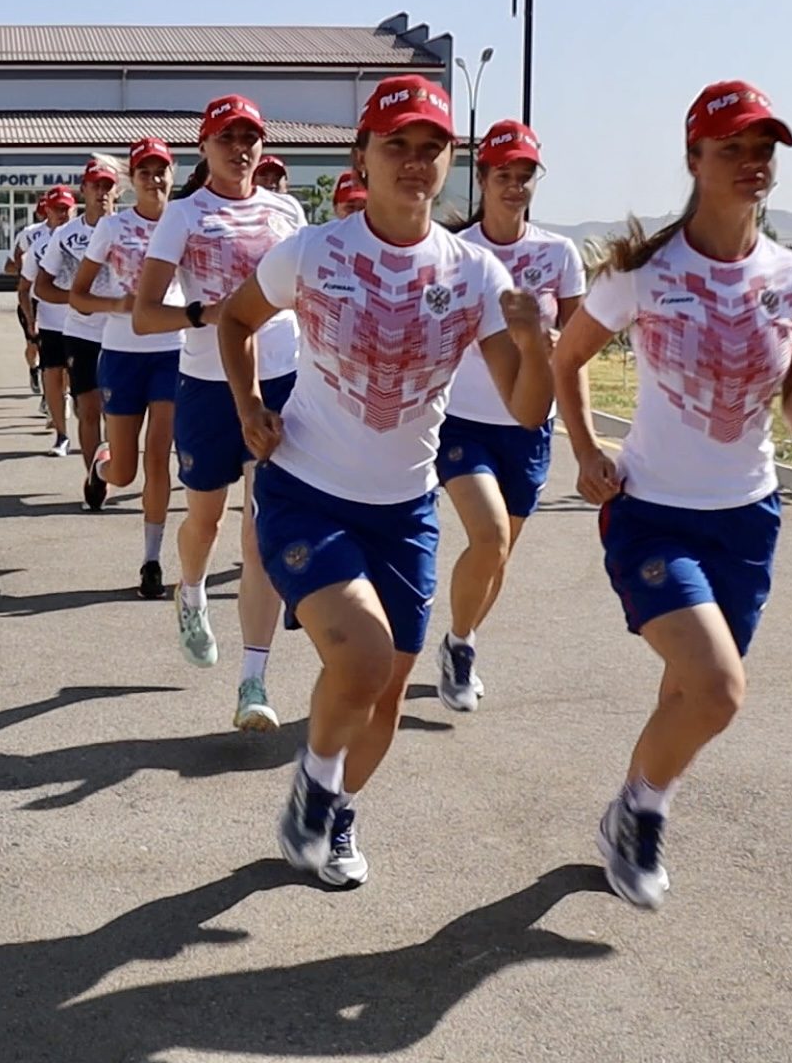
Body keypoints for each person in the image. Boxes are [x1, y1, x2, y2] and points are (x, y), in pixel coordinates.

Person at [217, 74, 549, 887]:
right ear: (361, 155)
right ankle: (316, 787)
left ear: (450, 164)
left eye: (431, 148)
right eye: (395, 145)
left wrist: (539, 344)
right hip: (306, 491)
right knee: (362, 659)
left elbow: (523, 402)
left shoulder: (472, 274)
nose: (413, 162)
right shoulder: (316, 250)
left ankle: (332, 804)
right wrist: (249, 402)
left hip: (404, 509)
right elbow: (233, 320)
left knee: (389, 693)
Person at [551, 81, 792, 911]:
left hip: (747, 518)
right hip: (651, 513)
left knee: (689, 694)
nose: (753, 165)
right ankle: (643, 811)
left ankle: (632, 807)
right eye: (732, 150)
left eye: (764, 151)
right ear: (694, 160)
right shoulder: (643, 274)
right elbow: (566, 360)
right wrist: (583, 448)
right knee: (716, 687)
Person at [136, 95, 304, 732]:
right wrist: (204, 314)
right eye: (228, 138)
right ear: (204, 148)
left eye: (252, 138)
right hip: (207, 383)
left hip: (284, 380)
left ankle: (252, 680)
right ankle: (190, 588)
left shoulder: (287, 211)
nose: (242, 149)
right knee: (204, 520)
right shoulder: (184, 215)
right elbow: (146, 311)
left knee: (259, 533)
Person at [431, 120, 588, 711]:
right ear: (483, 178)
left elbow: (575, 350)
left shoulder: (559, 254)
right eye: (504, 176)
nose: (515, 187)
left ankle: (459, 639)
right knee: (489, 535)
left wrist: (585, 436)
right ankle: (462, 651)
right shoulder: (458, 252)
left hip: (528, 427)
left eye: (525, 176)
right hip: (463, 420)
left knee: (499, 553)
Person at [72, 138, 188, 595]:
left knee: (159, 457)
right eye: (144, 172)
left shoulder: (185, 222)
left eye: (161, 171)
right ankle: (100, 467)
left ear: (172, 175)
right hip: (121, 354)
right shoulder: (113, 227)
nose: (154, 179)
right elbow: (78, 297)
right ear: (131, 179)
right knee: (125, 472)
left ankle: (151, 561)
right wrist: (118, 303)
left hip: (173, 352)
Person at [38, 159, 122, 509]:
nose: (102, 193)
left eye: (108, 186)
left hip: (125, 338)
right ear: (83, 190)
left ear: (117, 191)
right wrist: (78, 300)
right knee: (88, 409)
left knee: (117, 415)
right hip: (82, 334)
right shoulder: (65, 235)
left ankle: (112, 466)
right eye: (95, 186)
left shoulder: (130, 228)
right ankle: (94, 479)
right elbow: (43, 287)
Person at [23, 187, 79, 455]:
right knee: (52, 376)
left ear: (74, 208)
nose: (61, 214)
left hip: (84, 325)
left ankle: (97, 436)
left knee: (84, 385)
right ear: (47, 211)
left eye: (66, 208)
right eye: (56, 208)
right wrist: (31, 322)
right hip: (51, 324)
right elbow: (24, 286)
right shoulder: (38, 244)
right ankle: (61, 436)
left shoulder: (87, 237)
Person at [6, 213, 48, 394]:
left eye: (65, 209)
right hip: (32, 301)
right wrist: (26, 269)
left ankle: (55, 396)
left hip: (58, 304)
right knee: (34, 346)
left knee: (53, 353)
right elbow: (8, 266)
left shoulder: (71, 233)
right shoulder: (30, 234)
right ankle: (34, 370)